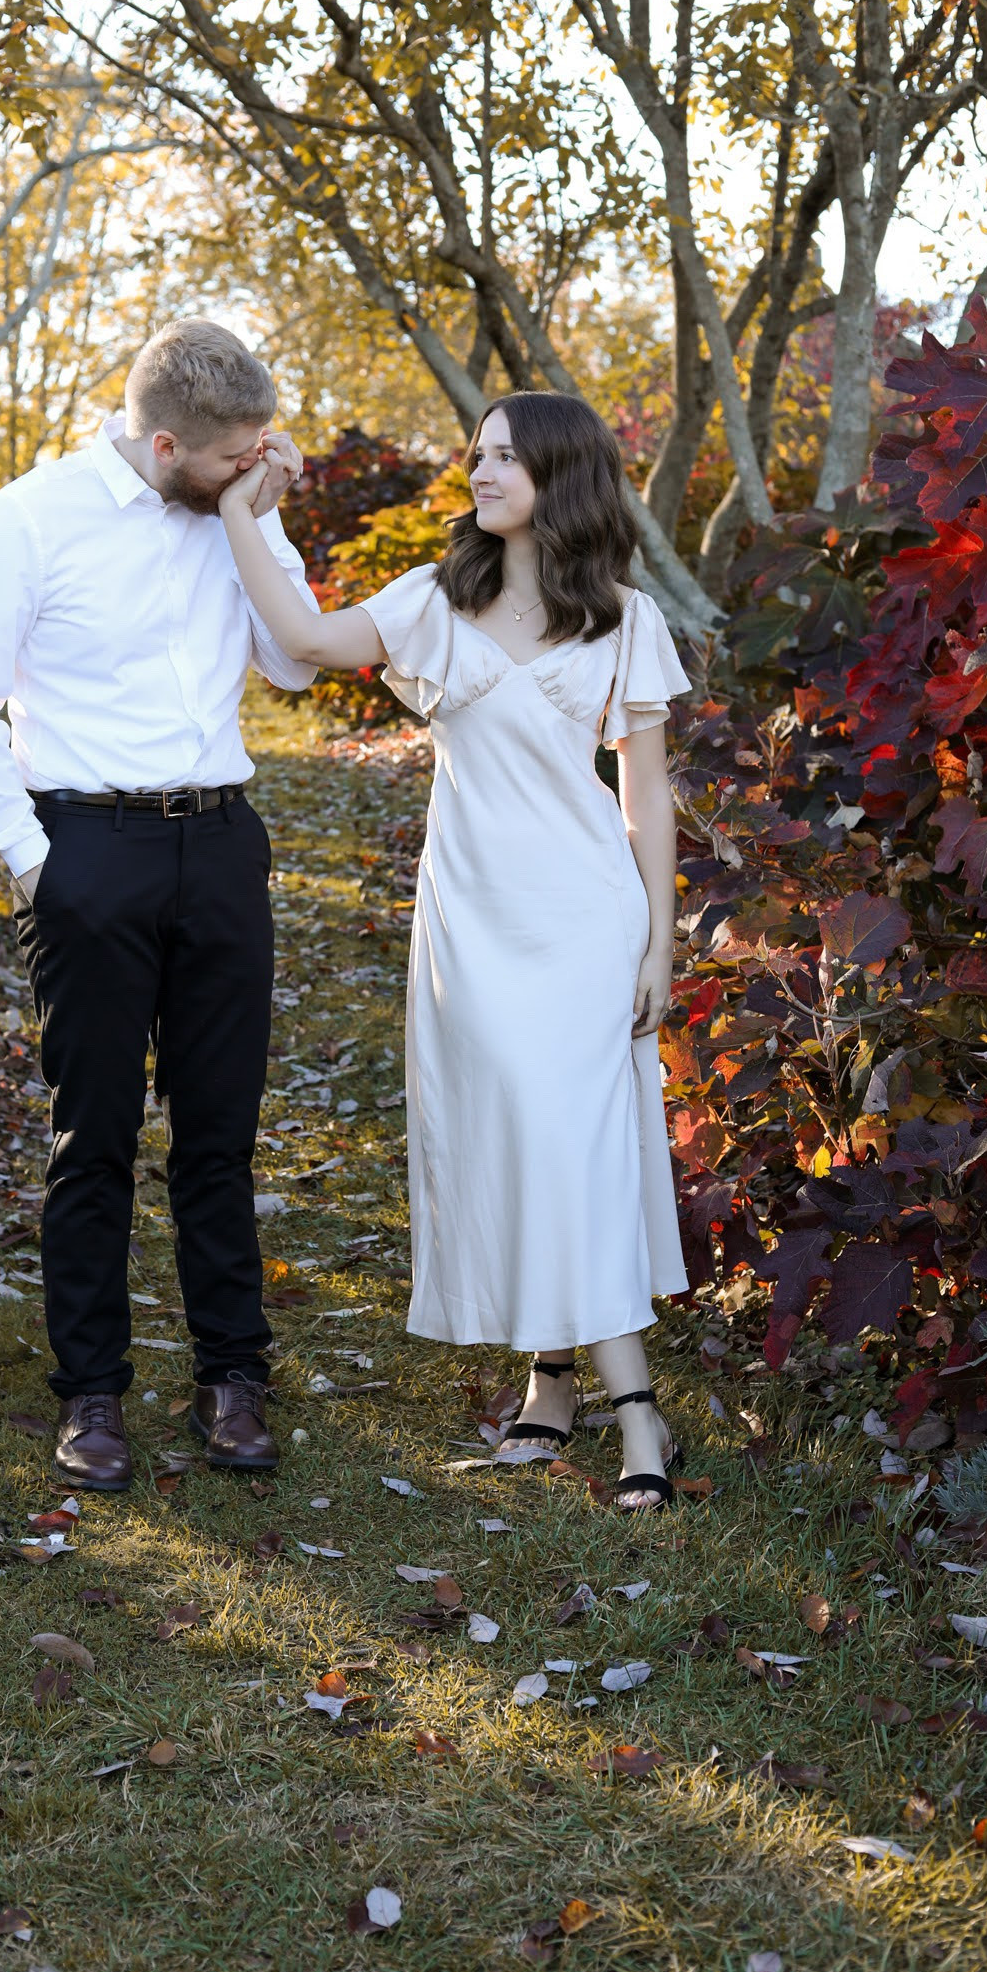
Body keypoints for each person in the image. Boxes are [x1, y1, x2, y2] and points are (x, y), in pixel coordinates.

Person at [219, 390, 693, 1510]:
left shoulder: (628, 621)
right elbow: (301, 638)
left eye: (504, 459)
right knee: (515, 1138)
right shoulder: (436, 600)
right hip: (473, 922)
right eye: (475, 455)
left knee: (572, 1141)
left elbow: (648, 804)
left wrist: (659, 942)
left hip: (585, 918)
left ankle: (637, 1412)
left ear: (562, 478)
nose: (479, 473)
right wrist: (248, 509)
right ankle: (549, 1380)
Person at [0, 319, 316, 1492]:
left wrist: (257, 515)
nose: (265, 463)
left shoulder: (237, 506)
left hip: (223, 847)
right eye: (242, 456)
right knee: (91, 1136)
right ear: (162, 442)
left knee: (220, 1132)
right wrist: (36, 867)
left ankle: (232, 1377)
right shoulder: (28, 522)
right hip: (86, 848)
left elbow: (293, 664)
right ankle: (90, 1394)